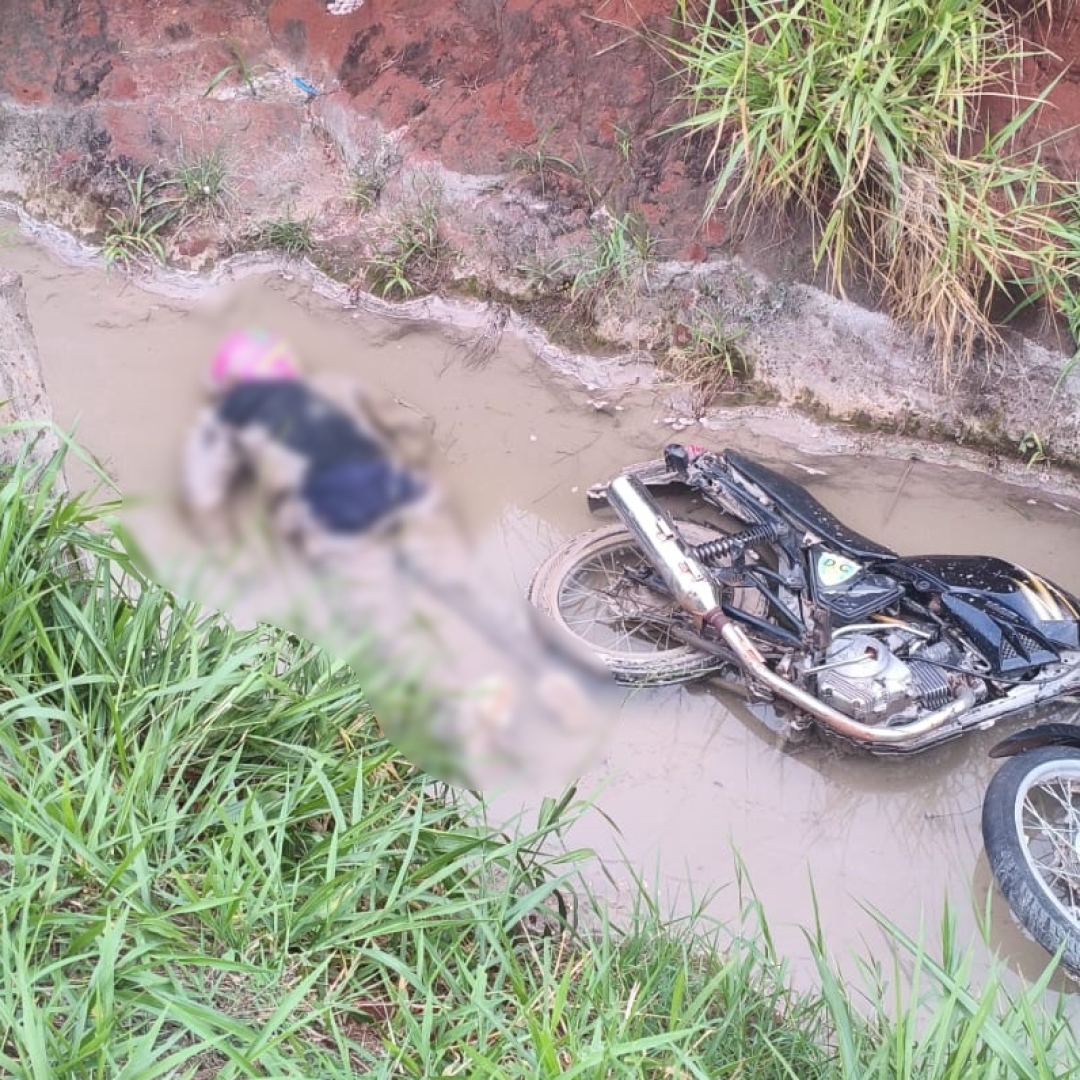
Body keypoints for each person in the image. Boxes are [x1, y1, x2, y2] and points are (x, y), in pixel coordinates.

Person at [179, 329, 621, 790]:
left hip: (342, 536)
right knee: (473, 591)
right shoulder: (335, 389)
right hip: (409, 502)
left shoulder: (231, 424)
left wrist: (232, 552)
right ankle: (550, 676)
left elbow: (204, 495)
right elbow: (412, 427)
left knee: (387, 633)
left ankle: (466, 713)